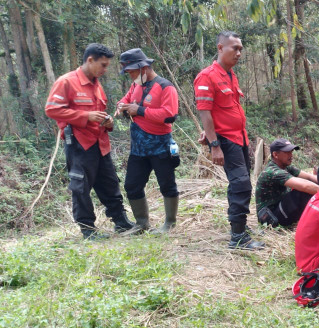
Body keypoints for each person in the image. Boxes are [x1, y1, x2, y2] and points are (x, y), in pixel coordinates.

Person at [45, 43, 135, 239]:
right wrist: (85, 116)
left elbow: (99, 113)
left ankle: (120, 221)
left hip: (100, 143)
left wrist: (108, 121)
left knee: (110, 182)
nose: (105, 69)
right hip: (79, 143)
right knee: (81, 186)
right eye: (103, 65)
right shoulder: (67, 82)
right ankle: (88, 229)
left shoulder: (96, 84)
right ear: (90, 60)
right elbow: (52, 109)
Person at [194, 31, 264, 250]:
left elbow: (230, 108)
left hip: (239, 138)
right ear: (220, 48)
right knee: (241, 184)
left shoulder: (231, 75)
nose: (239, 53)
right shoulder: (207, 76)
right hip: (225, 140)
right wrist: (215, 145)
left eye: (241, 48)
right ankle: (238, 238)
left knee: (241, 183)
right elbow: (205, 113)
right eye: (235, 48)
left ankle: (239, 225)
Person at [115, 48, 179, 234]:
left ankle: (170, 223)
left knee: (167, 184)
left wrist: (140, 110)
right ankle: (141, 224)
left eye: (132, 72)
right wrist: (121, 105)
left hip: (161, 146)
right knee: (132, 185)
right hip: (138, 148)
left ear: (143, 68)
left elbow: (169, 115)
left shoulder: (165, 87)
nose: (130, 76)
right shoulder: (135, 85)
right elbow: (126, 99)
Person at [255, 138, 319, 227]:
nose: (291, 155)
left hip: (280, 208)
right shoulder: (272, 171)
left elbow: (310, 177)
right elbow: (305, 186)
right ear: (275, 154)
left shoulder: (286, 167)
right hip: (271, 217)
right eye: (287, 152)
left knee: (312, 184)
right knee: (302, 192)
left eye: (291, 152)